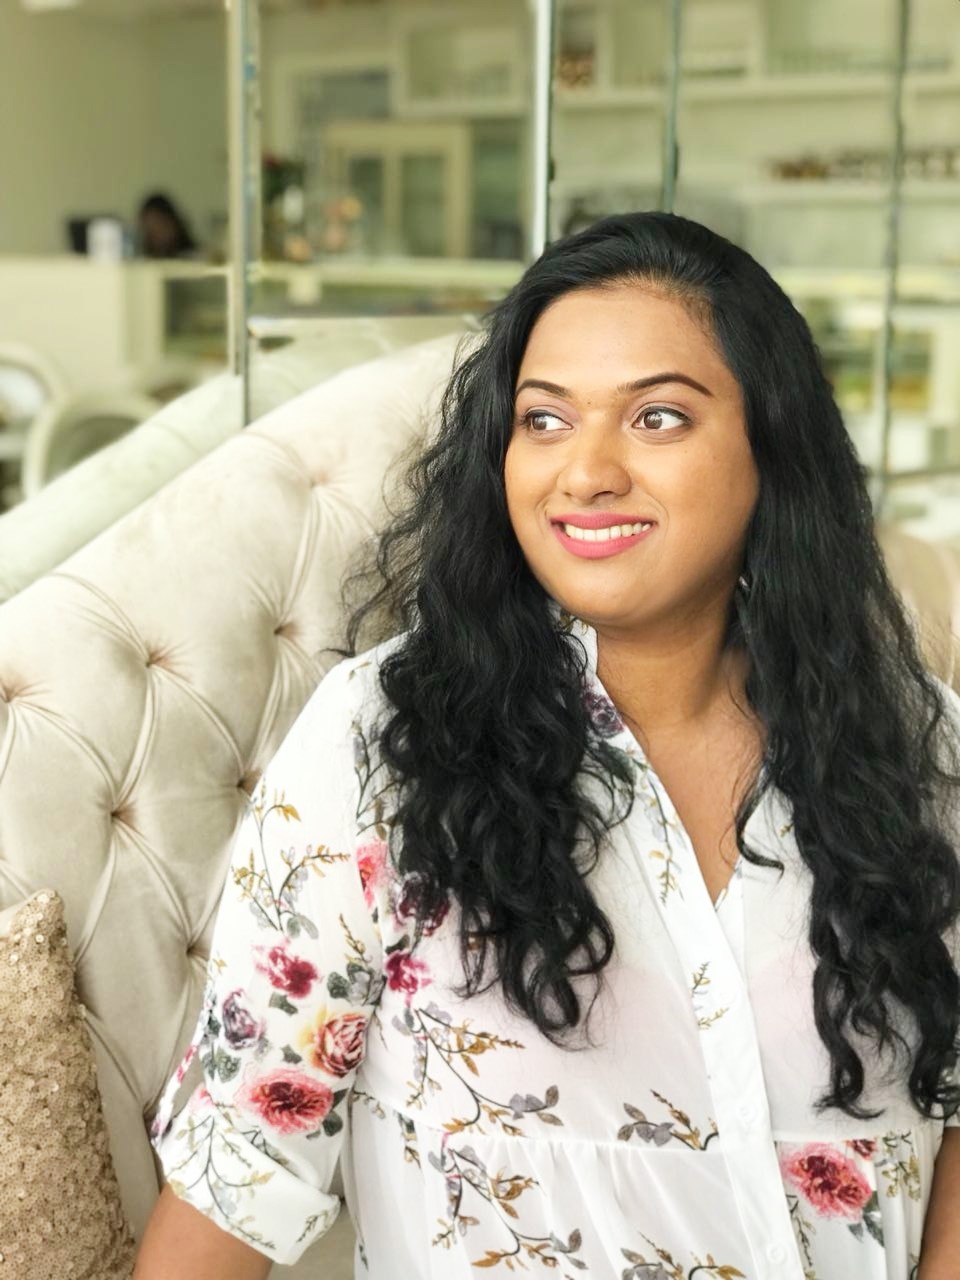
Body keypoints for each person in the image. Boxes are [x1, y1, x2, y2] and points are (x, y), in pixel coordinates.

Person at [133, 212, 960, 1280]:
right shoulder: (381, 742)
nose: (587, 472)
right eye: (545, 419)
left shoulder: (917, 747)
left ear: (772, 448)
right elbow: (238, 1168)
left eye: (658, 417)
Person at [137, 192, 198, 259]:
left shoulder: (195, 258)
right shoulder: (143, 259)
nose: (155, 232)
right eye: (149, 228)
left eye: (158, 224)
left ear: (172, 222)